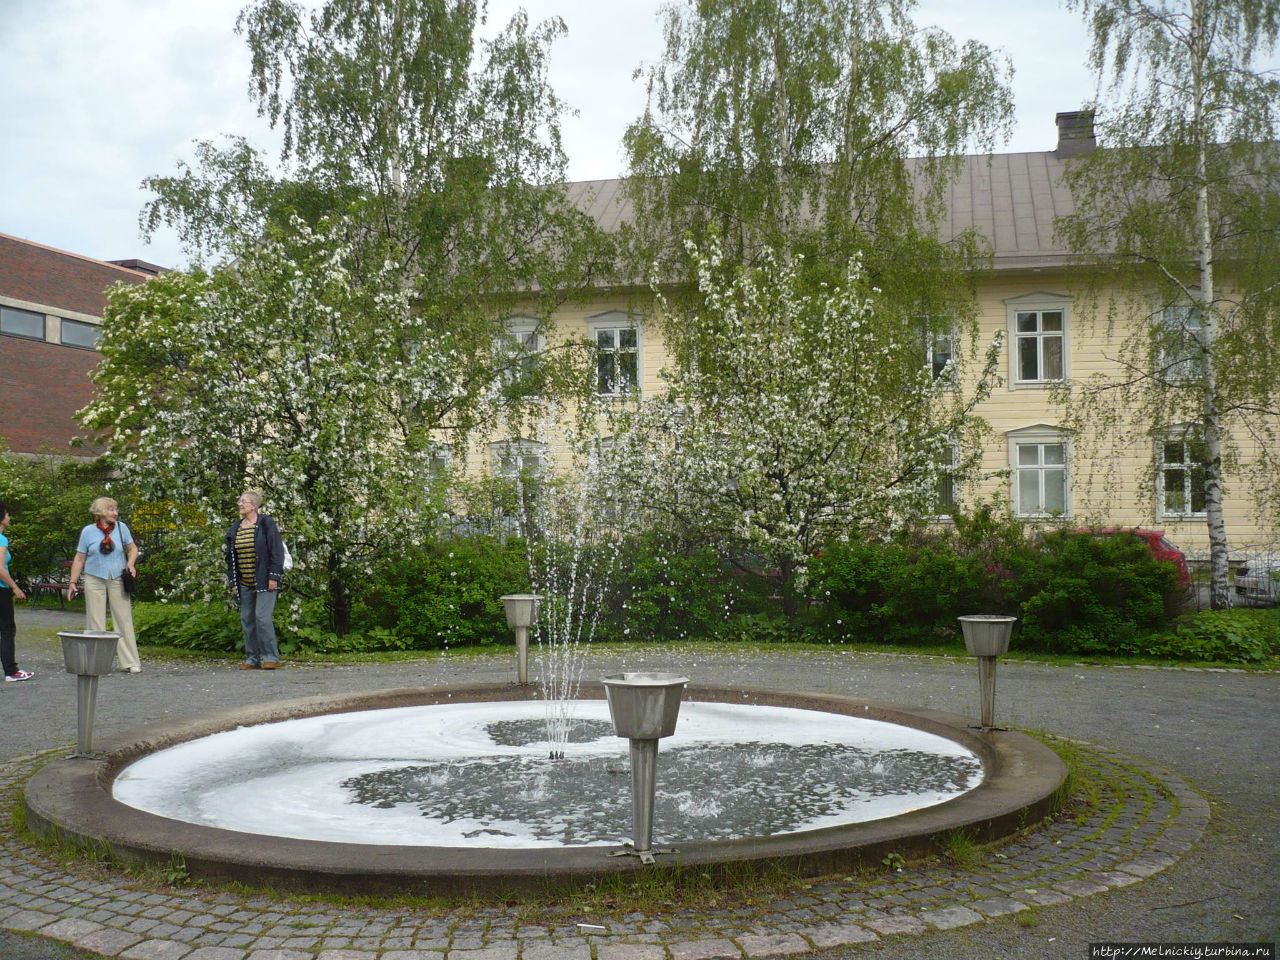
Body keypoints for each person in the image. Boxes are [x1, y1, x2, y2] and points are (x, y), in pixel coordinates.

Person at [67, 496, 141, 673]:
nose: (115, 513)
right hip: (94, 577)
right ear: (100, 512)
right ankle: (96, 663)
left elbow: (132, 549)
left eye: (115, 509)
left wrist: (130, 564)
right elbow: (79, 558)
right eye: (110, 509)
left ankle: (130, 662)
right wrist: (72, 582)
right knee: (95, 620)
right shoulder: (88, 532)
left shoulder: (122, 528)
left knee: (123, 618)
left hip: (117, 577)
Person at [225, 490, 284, 670]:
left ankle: (270, 657)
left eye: (244, 501)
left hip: (265, 580)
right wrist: (234, 582)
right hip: (245, 582)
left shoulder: (266, 523)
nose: (240, 504)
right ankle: (252, 658)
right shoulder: (235, 529)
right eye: (240, 501)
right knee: (247, 619)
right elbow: (230, 558)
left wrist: (274, 576)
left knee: (262, 618)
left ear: (254, 505)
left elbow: (276, 551)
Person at [0, 502, 34, 682]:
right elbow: (0, 569)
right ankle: (11, 671)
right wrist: (14, 586)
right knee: (7, 629)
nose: (9, 517)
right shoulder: (1, 539)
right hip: (1, 589)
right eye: (7, 514)